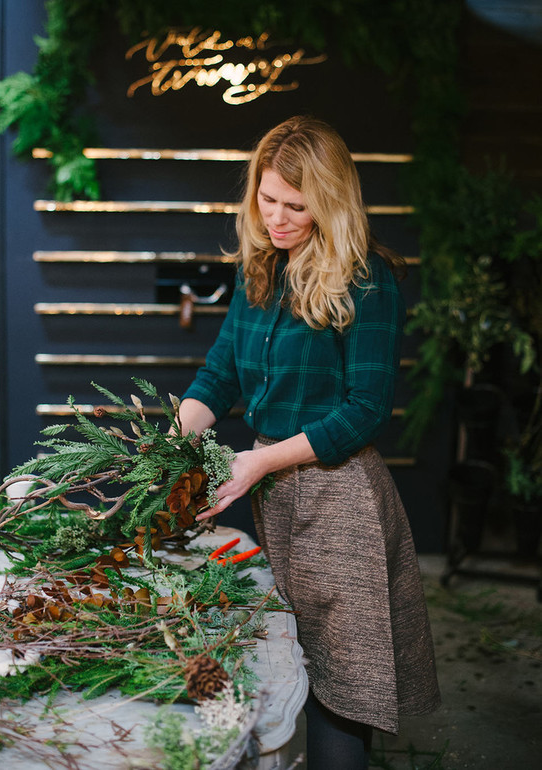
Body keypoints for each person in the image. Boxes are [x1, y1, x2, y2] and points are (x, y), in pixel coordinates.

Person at [177, 116, 440, 769]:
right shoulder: (260, 272)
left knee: (342, 684)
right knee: (290, 658)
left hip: (341, 498)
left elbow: (366, 410)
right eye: (267, 199)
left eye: (298, 206)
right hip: (278, 496)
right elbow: (221, 375)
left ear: (331, 201)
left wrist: (261, 458)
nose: (278, 218)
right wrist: (171, 444)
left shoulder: (366, 279)